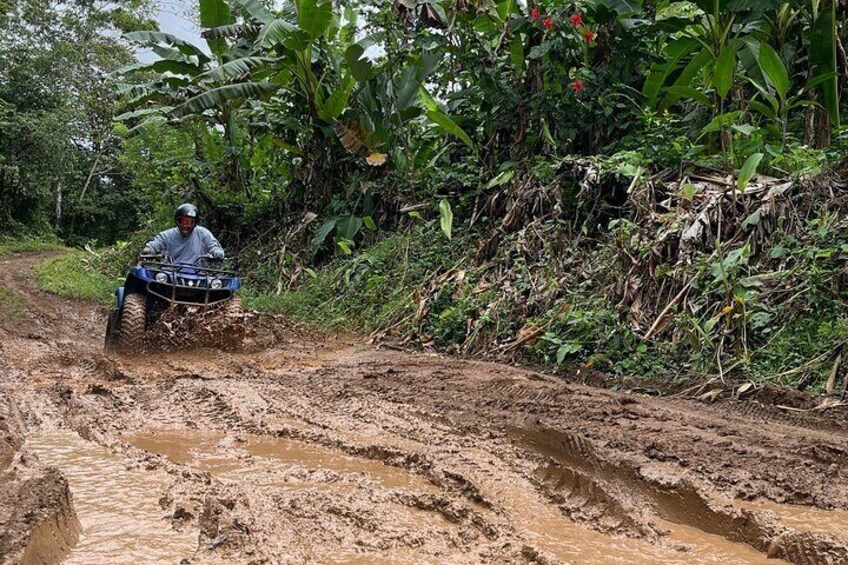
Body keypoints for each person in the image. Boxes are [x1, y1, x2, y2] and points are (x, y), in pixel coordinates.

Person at [142, 203, 225, 264]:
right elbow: (155, 244)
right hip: (171, 273)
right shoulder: (167, 235)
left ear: (195, 223)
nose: (185, 225)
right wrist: (148, 250)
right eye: (182, 221)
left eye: (190, 222)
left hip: (199, 274)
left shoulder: (204, 234)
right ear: (177, 221)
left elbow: (214, 246)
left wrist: (217, 253)